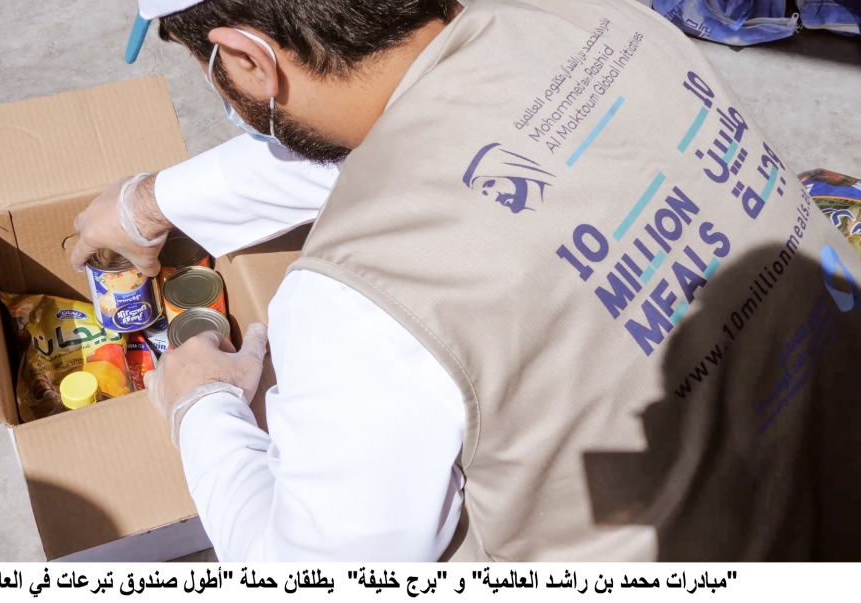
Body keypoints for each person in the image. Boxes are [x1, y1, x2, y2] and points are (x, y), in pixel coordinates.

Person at [71, 0, 861, 561]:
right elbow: (424, 134)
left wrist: (202, 406)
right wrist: (150, 203)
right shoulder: (592, 15)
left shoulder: (356, 299)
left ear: (247, 57)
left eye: (213, 70)